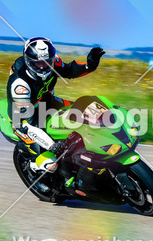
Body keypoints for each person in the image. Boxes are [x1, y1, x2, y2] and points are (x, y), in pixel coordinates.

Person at [7, 36, 105, 174]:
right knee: (51, 162)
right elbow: (27, 124)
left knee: (84, 114)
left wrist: (89, 66)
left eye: (47, 62)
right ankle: (32, 166)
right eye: (38, 63)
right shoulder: (20, 85)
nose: (43, 66)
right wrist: (52, 146)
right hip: (23, 120)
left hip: (47, 101)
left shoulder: (54, 62)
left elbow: (70, 70)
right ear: (29, 62)